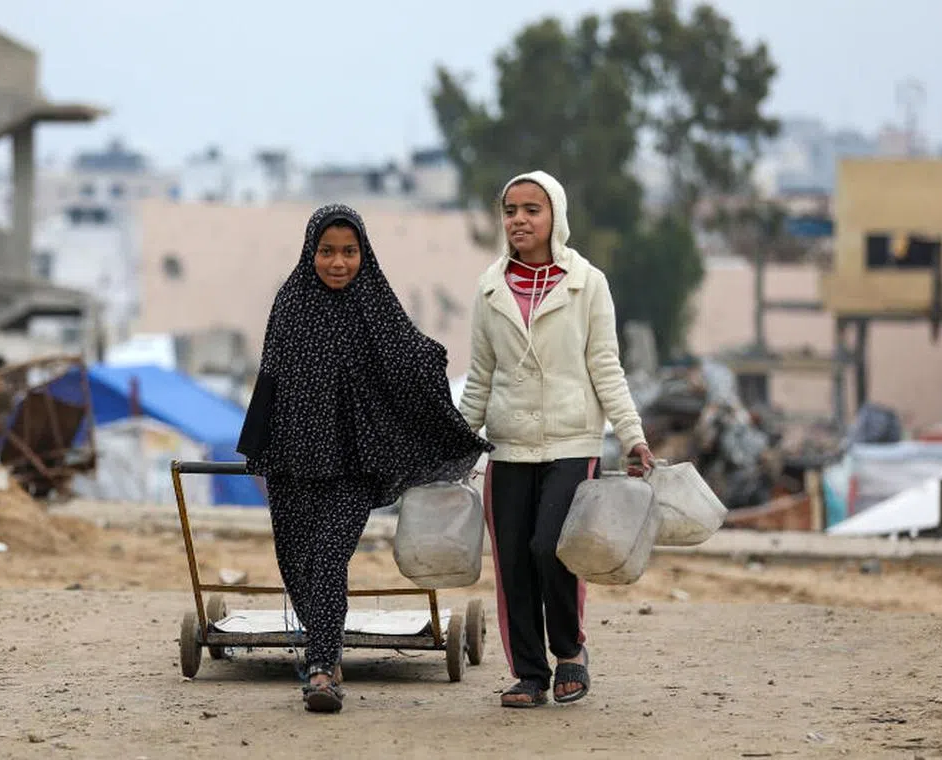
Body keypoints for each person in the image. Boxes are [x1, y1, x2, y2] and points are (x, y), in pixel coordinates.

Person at [238, 204, 491, 713]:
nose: (338, 262)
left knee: (330, 559)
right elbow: (269, 377)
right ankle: (325, 650)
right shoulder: (290, 304)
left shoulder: (374, 304)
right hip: (292, 460)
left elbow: (409, 357)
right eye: (327, 251)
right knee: (297, 565)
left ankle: (321, 671)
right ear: (311, 252)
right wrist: (259, 448)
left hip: (354, 463)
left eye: (349, 252)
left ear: (364, 254)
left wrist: (432, 361)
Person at [459, 170, 655, 708]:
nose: (519, 220)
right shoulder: (489, 287)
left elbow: (606, 367)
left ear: (555, 218)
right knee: (513, 564)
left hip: (573, 443)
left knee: (553, 547)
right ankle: (529, 673)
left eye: (532, 210)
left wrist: (632, 436)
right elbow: (480, 375)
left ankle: (569, 650)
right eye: (510, 210)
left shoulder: (586, 283)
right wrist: (458, 439)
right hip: (508, 445)